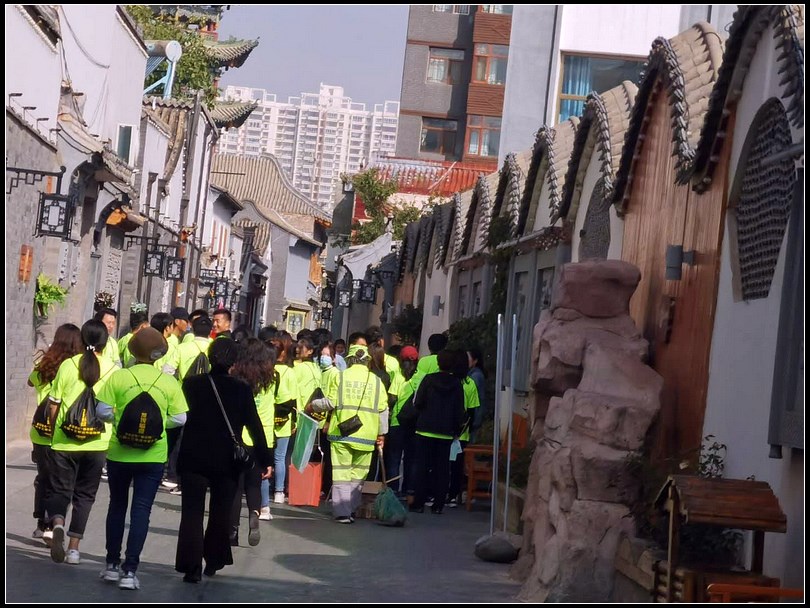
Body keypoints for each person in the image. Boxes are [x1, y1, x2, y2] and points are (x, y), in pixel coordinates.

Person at [96, 328, 188, 590]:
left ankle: (111, 565)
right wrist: (157, 426)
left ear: (133, 351)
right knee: (141, 510)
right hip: (153, 454)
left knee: (117, 506)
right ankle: (130, 571)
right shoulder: (168, 382)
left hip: (119, 453)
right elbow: (180, 418)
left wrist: (120, 419)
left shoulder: (120, 377)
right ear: (159, 354)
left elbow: (102, 411)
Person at [175, 339, 272, 583]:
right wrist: (265, 458)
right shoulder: (241, 388)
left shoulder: (192, 384)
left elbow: (178, 421)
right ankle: (214, 559)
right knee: (221, 510)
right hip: (227, 459)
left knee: (192, 512)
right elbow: (254, 426)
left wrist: (168, 453)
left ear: (210, 357)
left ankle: (191, 566)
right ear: (234, 362)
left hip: (194, 455)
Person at [46, 320, 117, 564]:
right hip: (97, 443)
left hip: (64, 440)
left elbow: (53, 403)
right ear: (105, 342)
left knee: (59, 489)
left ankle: (57, 523)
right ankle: (74, 549)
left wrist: (54, 430)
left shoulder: (68, 365)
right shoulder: (112, 369)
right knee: (85, 495)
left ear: (82, 340)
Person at [28, 323, 83, 545]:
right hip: (63, 432)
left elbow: (30, 381)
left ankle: (41, 524)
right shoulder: (76, 368)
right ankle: (53, 524)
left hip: (40, 432)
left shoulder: (45, 365)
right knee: (61, 482)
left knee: (43, 478)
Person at [323, 343, 388, 524]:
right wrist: (381, 434)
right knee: (358, 475)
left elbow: (330, 402)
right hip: (367, 436)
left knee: (341, 473)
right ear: (367, 360)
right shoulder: (377, 381)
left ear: (350, 360)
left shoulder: (341, 377)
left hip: (341, 434)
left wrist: (313, 405)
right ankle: (351, 509)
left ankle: (342, 513)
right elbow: (383, 410)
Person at [228, 338, 276, 543]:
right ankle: (254, 515)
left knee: (236, 487)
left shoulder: (235, 377)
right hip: (261, 438)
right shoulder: (271, 378)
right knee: (254, 484)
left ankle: (232, 530)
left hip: (238, 438)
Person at [410, 349, 466, 515]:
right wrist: (456, 430)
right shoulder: (457, 384)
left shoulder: (428, 380)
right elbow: (459, 410)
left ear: (438, 362)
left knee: (421, 467)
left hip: (425, 429)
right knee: (442, 468)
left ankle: (419, 503)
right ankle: (438, 504)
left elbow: (418, 402)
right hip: (446, 432)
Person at [384, 345, 419, 496]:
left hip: (397, 423)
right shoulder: (422, 376)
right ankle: (408, 490)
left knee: (394, 458)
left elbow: (392, 399)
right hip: (415, 423)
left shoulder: (398, 377)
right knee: (411, 458)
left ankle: (393, 489)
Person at [447, 350, 481, 508]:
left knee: (441, 464)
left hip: (443, 431)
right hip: (461, 433)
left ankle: (438, 493)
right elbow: (473, 410)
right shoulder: (470, 384)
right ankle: (454, 495)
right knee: (457, 466)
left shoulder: (448, 381)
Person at [268, 333, 297, 505]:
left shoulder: (266, 370)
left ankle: (265, 487)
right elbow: (294, 399)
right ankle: (279, 491)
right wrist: (294, 421)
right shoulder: (290, 372)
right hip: (284, 420)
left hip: (267, 417)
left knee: (267, 456)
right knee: (280, 457)